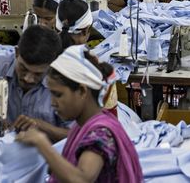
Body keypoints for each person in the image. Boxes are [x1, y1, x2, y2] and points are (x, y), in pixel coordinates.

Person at [16, 45, 143, 183]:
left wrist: (42, 143)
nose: (53, 103)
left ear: (82, 91)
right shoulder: (83, 126)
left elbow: (82, 179)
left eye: (58, 95)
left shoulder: (101, 134)